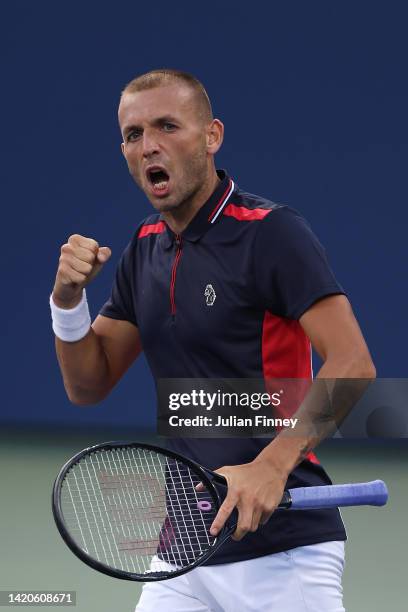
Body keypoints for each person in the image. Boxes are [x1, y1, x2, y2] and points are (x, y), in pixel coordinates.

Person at [50, 69, 375, 611]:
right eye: (133, 135)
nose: (148, 145)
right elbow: (88, 383)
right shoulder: (144, 250)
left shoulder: (271, 233)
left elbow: (353, 363)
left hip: (281, 553)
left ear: (211, 136)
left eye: (167, 126)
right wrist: (66, 301)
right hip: (184, 551)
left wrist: (271, 467)